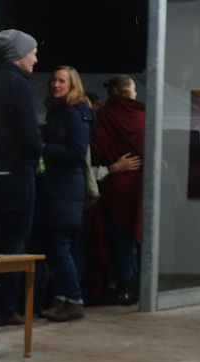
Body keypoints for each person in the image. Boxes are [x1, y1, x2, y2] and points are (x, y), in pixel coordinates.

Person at [0, 29, 42, 327]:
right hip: (17, 176)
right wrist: (38, 151)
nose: (35, 58)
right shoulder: (20, 85)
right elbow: (29, 134)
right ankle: (5, 309)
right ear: (19, 55)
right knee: (13, 245)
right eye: (32, 52)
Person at [38, 66, 95, 322]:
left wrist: (44, 147)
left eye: (62, 81)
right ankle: (63, 298)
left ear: (73, 85)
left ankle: (73, 299)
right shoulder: (64, 112)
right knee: (61, 246)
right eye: (54, 80)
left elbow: (76, 152)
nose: (56, 85)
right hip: (63, 187)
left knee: (60, 245)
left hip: (65, 188)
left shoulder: (72, 114)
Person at [91, 74, 145, 305]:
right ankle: (138, 284)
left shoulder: (103, 117)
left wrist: (112, 166)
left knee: (119, 237)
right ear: (126, 91)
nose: (136, 93)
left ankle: (124, 284)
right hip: (140, 186)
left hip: (115, 186)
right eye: (134, 89)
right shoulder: (142, 116)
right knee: (138, 237)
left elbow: (96, 152)